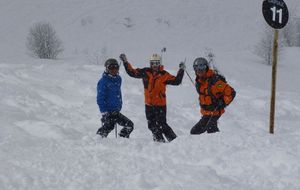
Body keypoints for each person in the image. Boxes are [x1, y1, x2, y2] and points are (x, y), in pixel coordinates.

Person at [119, 53, 185, 142]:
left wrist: (181, 70)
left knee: (162, 124)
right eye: (153, 63)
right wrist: (125, 62)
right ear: (150, 64)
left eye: (157, 63)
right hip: (149, 105)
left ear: (160, 63)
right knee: (152, 125)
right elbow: (132, 72)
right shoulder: (145, 72)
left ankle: (174, 141)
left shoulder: (164, 75)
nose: (155, 65)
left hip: (160, 105)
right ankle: (159, 141)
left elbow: (177, 81)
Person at [190, 57, 236, 134]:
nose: (200, 70)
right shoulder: (199, 82)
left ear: (206, 67)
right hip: (206, 113)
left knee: (201, 131)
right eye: (197, 68)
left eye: (202, 67)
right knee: (198, 131)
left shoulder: (215, 81)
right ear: (195, 69)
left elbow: (231, 92)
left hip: (215, 111)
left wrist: (223, 103)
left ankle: (219, 143)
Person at [96, 58, 134, 138]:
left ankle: (122, 140)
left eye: (116, 67)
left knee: (129, 125)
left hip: (116, 111)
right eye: (111, 67)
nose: (113, 70)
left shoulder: (118, 79)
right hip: (108, 112)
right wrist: (104, 112)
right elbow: (100, 98)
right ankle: (98, 140)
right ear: (106, 68)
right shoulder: (103, 81)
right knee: (109, 126)